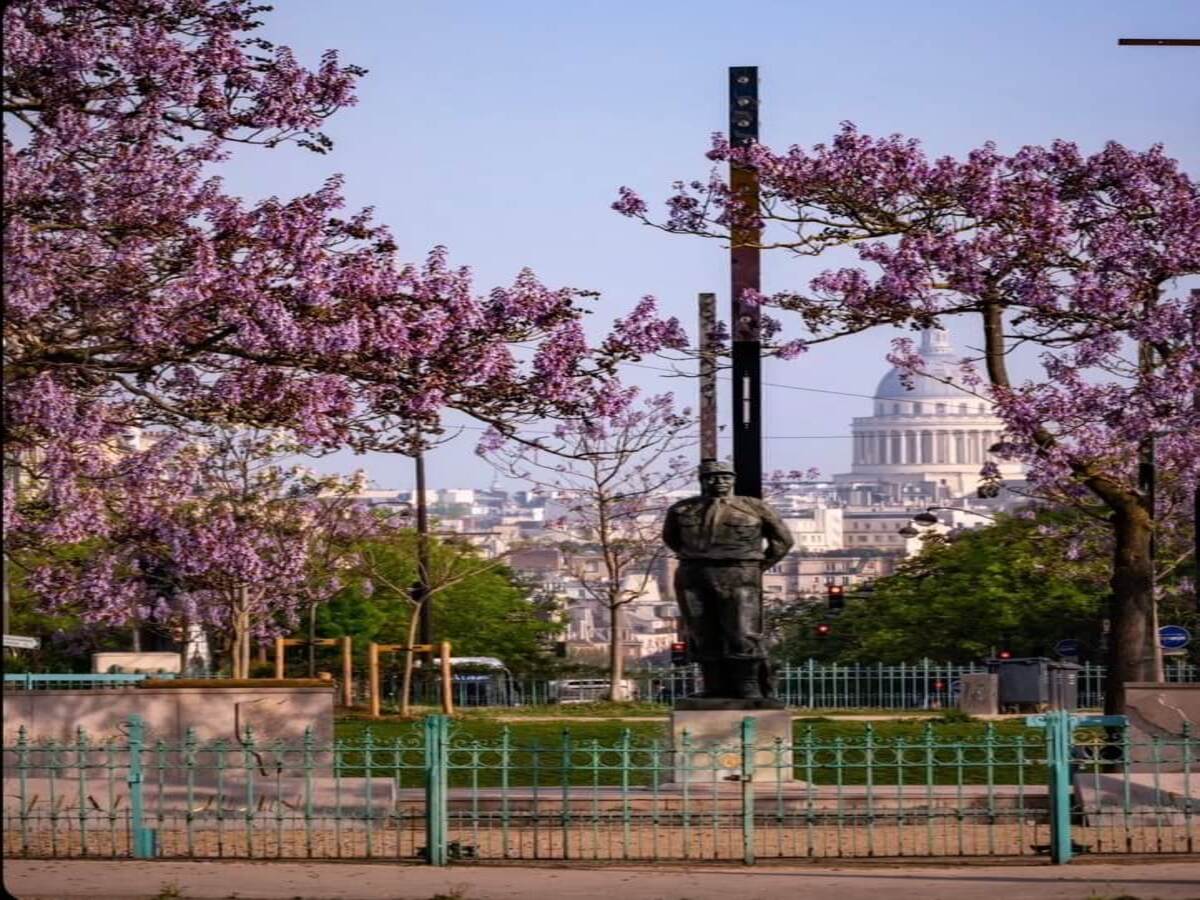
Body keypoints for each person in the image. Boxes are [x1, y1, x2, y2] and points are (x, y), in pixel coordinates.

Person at [661, 459, 793, 702]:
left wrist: (757, 566)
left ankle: (749, 686)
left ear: (733, 480)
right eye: (711, 477)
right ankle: (714, 685)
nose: (718, 482)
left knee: (742, 632)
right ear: (702, 481)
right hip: (694, 574)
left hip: (740, 573)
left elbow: (782, 541)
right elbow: (671, 539)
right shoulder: (682, 509)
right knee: (702, 632)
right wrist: (699, 557)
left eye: (725, 477)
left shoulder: (754, 508)